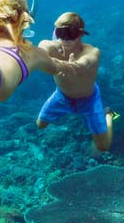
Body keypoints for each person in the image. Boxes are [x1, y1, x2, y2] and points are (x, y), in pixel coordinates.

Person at [35, 12, 115, 151]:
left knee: (103, 147)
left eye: (70, 33)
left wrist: (71, 66)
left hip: (89, 100)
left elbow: (84, 63)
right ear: (55, 32)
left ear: (81, 34)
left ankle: (108, 115)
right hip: (61, 96)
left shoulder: (92, 51)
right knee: (39, 125)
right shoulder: (49, 46)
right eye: (61, 33)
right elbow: (40, 51)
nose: (65, 38)